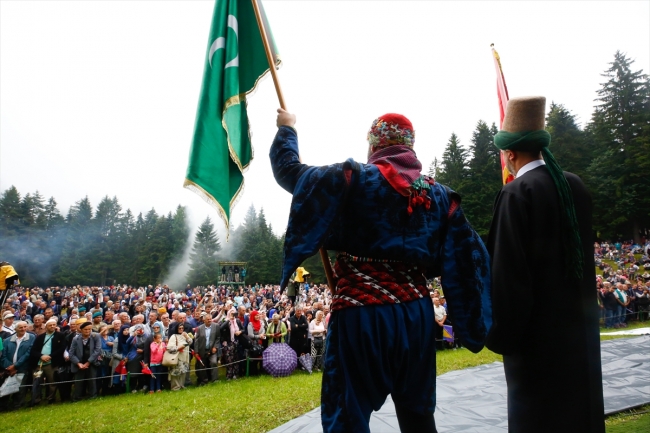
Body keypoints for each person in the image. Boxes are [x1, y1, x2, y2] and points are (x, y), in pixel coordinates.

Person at [270, 109, 491, 433]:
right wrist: (471, 322)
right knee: (418, 418)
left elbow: (291, 172)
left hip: (362, 315)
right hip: (415, 316)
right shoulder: (440, 197)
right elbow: (468, 260)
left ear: (374, 145)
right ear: (410, 146)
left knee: (347, 418)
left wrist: (286, 130)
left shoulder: (352, 179)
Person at [486, 96, 605, 432]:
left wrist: (502, 334)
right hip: (578, 330)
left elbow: (508, 275)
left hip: (538, 336)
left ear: (510, 154)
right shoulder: (574, 185)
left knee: (540, 416)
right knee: (580, 411)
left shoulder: (517, 192)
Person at [29, 318, 66, 404]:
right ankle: (36, 399)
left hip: (52, 363)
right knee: (37, 381)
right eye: (50, 325)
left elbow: (62, 348)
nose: (52, 326)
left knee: (52, 382)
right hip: (39, 363)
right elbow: (33, 350)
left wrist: (50, 356)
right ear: (46, 327)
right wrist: (41, 356)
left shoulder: (60, 335)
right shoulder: (40, 337)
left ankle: (51, 398)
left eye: (54, 325)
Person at [0, 321, 34, 409]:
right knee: (6, 387)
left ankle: (17, 406)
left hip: (23, 367)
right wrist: (10, 367)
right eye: (20, 327)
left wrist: (16, 366)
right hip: (8, 369)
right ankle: (4, 406)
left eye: (25, 327)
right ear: (15, 329)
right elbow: (3, 355)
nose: (23, 329)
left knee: (20, 388)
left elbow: (28, 353)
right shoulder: (7, 340)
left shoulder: (31, 337)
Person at [69, 321, 101, 401]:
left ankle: (93, 397)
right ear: (81, 330)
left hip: (92, 363)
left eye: (89, 329)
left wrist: (88, 362)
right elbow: (71, 353)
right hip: (79, 364)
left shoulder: (96, 336)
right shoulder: (76, 339)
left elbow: (97, 350)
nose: (87, 331)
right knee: (78, 382)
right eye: (85, 329)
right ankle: (76, 398)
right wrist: (78, 363)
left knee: (92, 381)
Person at [195, 313, 220, 385]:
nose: (209, 320)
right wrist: (196, 352)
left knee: (214, 362)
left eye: (210, 319)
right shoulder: (199, 328)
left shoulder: (216, 326)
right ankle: (204, 380)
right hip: (202, 350)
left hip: (212, 349)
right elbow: (196, 340)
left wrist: (215, 347)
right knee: (202, 365)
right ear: (204, 320)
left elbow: (218, 338)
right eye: (208, 319)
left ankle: (215, 379)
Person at [166, 323, 193, 390]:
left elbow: (190, 342)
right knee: (176, 373)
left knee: (183, 372)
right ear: (176, 329)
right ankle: (175, 387)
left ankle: (181, 385)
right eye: (179, 328)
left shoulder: (185, 335)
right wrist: (178, 348)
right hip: (176, 358)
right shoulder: (173, 336)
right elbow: (169, 348)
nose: (181, 330)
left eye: (182, 328)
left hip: (185, 358)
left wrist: (186, 337)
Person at [148, 326, 165, 393]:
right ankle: (152, 389)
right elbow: (153, 351)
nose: (160, 339)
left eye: (160, 338)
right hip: (153, 363)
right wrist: (158, 344)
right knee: (153, 376)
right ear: (154, 339)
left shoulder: (163, 344)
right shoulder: (153, 344)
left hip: (160, 362)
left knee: (159, 376)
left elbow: (164, 350)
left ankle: (158, 388)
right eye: (158, 338)